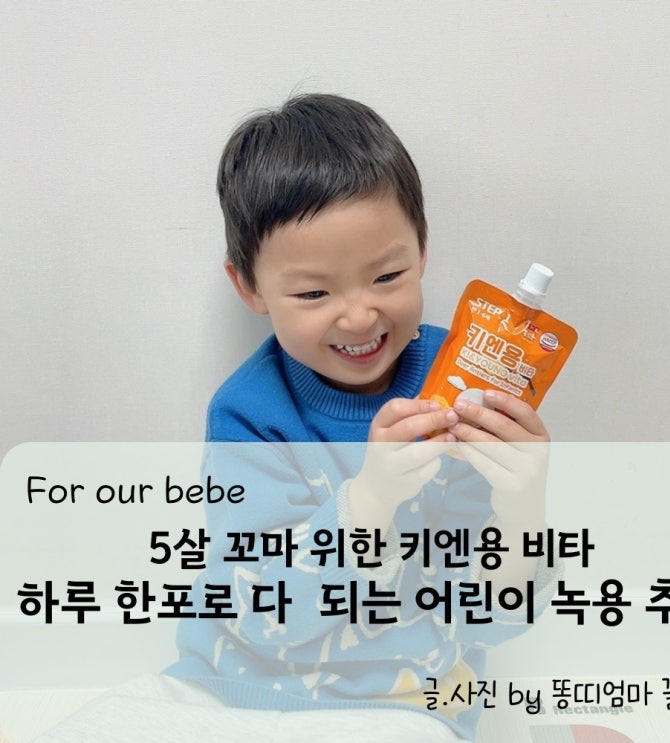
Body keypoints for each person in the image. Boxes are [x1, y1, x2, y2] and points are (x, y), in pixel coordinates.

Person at [36, 93, 554, 743]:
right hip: (223, 690)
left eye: (387, 276)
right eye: (313, 292)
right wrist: (369, 501)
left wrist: (522, 505)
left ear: (422, 250)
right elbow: (260, 613)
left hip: (402, 707)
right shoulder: (249, 414)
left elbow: (490, 621)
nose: (358, 316)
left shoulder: (464, 394)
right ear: (250, 287)